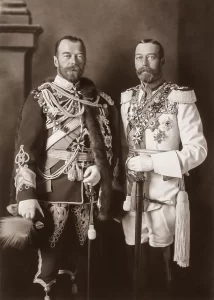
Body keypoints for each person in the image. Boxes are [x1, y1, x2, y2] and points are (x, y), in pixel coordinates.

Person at [6, 35, 119, 300]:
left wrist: (101, 171)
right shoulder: (41, 98)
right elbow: (25, 150)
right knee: (49, 265)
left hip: (89, 196)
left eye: (79, 55)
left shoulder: (99, 101)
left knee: (85, 264)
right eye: (67, 55)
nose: (74, 61)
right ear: (56, 60)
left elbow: (111, 147)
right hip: (51, 192)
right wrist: (26, 194)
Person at [120, 39, 207, 294]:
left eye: (151, 57)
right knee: (134, 263)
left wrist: (153, 162)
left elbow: (198, 150)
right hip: (131, 195)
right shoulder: (127, 98)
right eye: (139, 57)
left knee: (161, 266)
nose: (144, 64)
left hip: (165, 195)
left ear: (163, 60)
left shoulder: (180, 97)